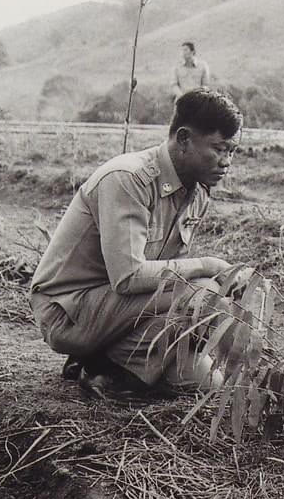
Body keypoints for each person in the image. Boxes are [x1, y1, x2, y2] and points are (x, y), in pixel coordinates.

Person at [29, 89, 242, 400]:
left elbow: (163, 277)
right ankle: (106, 362)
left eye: (232, 151)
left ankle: (104, 365)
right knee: (209, 293)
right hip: (70, 311)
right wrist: (210, 266)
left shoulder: (197, 191)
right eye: (219, 149)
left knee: (209, 384)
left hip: (124, 312)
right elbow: (128, 275)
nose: (227, 162)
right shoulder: (127, 178)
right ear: (183, 139)